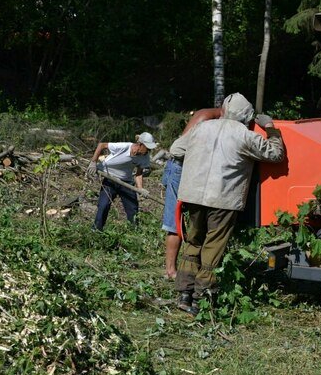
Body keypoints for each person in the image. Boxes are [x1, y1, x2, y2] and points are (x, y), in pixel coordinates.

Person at [173, 93, 285, 315]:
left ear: (223, 110)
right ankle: (201, 299)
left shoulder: (201, 128)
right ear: (247, 117)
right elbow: (276, 153)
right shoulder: (244, 135)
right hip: (223, 199)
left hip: (193, 195)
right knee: (213, 247)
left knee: (193, 242)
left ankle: (184, 294)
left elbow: (176, 150)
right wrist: (270, 127)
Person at [161, 108, 222, 279]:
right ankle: (170, 270)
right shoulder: (205, 117)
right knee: (175, 220)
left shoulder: (213, 117)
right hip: (180, 168)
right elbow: (182, 149)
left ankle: (186, 265)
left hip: (189, 167)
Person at [86, 132, 158, 230]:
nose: (148, 151)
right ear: (140, 144)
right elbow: (101, 145)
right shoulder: (124, 147)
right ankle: (96, 231)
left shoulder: (144, 157)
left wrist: (140, 189)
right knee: (103, 206)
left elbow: (138, 174)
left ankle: (134, 233)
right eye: (148, 148)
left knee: (133, 210)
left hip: (126, 182)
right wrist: (93, 162)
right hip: (110, 178)